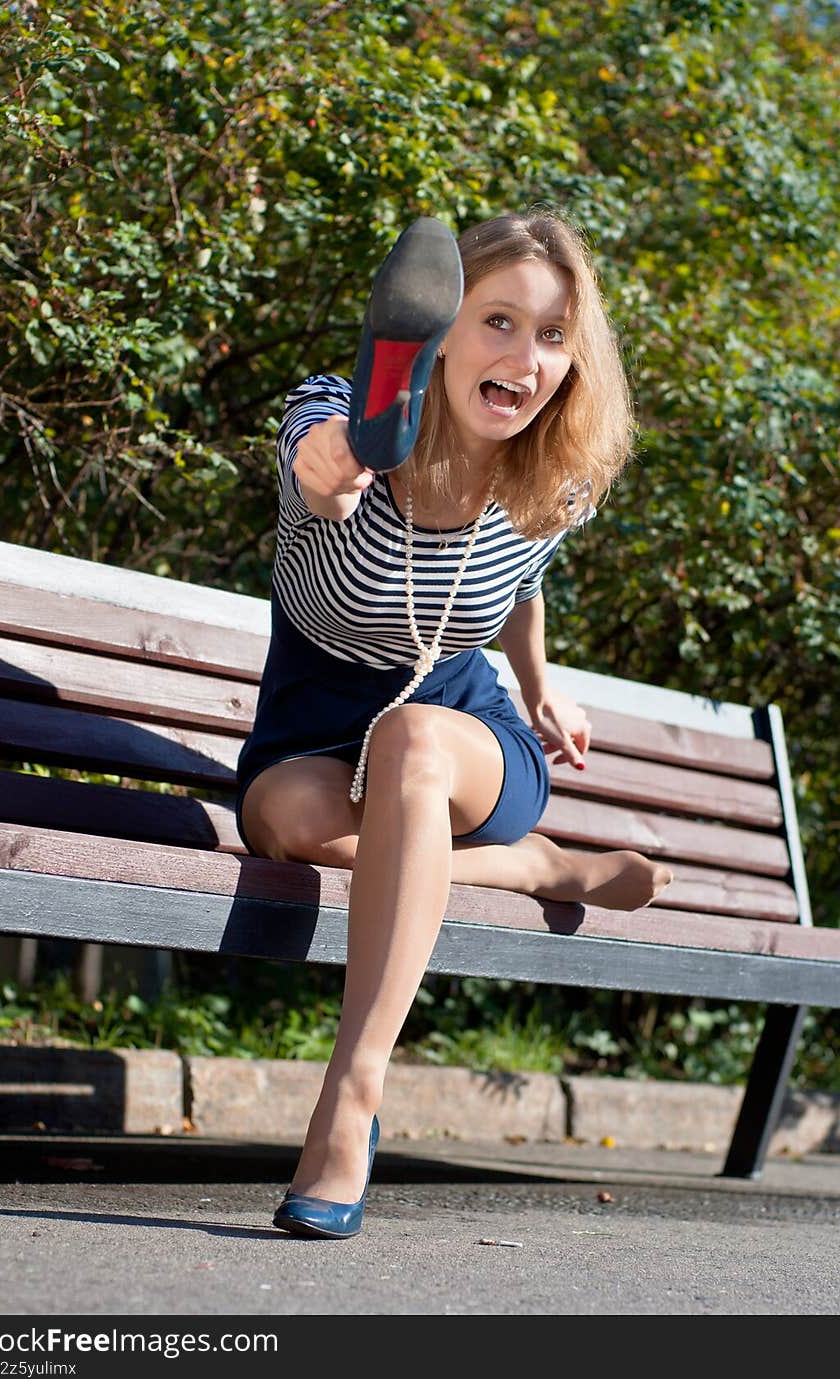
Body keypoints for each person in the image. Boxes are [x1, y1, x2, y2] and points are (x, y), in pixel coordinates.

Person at [235, 207, 673, 1239]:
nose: (527, 358)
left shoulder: (551, 480)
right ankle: (539, 869)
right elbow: (316, 465)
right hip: (315, 722)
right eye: (500, 321)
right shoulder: (332, 416)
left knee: (414, 741)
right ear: (435, 328)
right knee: (285, 821)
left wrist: (542, 681)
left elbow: (518, 581)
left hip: (463, 734)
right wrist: (341, 462)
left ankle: (351, 1095)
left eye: (555, 335)